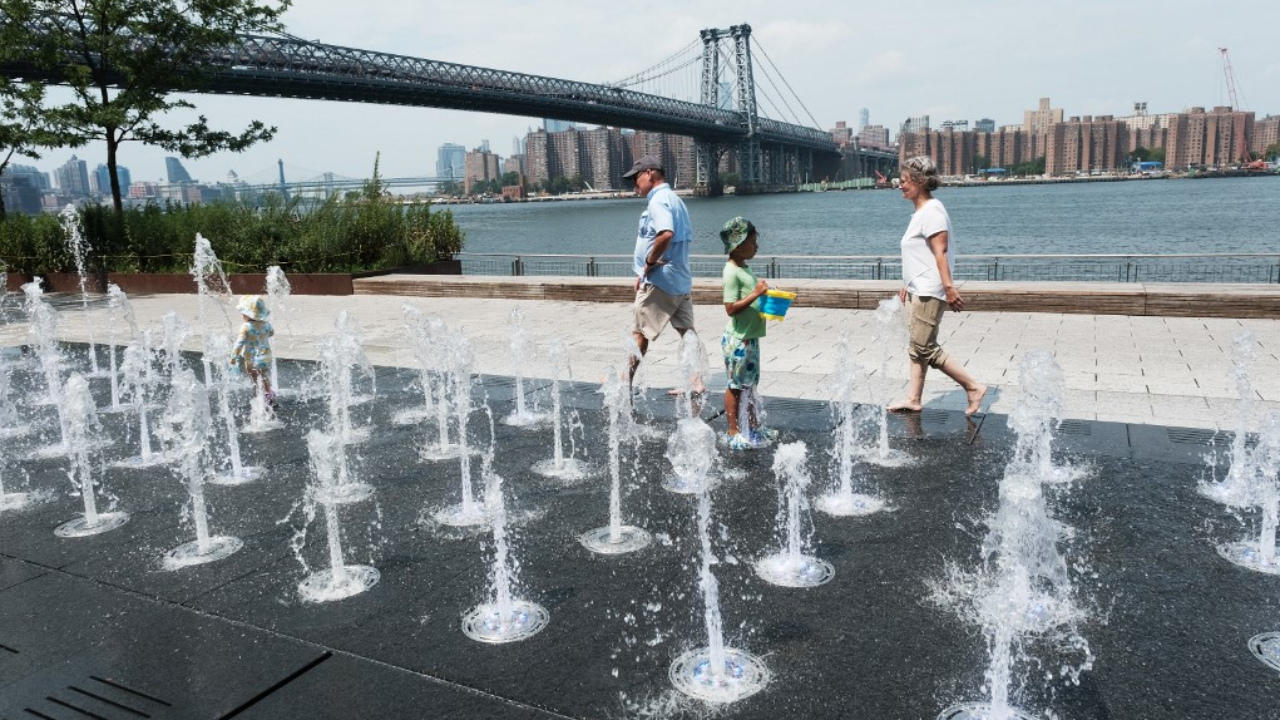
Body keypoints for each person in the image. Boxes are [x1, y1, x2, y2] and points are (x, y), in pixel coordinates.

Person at [888, 156, 988, 416]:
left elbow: (940, 253)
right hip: (916, 288)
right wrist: (905, 283)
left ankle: (973, 386)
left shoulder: (932, 212)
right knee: (916, 345)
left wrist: (949, 288)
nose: (900, 185)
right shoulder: (921, 212)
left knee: (924, 346)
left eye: (905, 181)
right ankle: (913, 399)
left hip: (929, 291)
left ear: (920, 182)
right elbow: (917, 254)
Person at [622, 155, 697, 390]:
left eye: (636, 179)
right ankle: (697, 381)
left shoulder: (658, 201)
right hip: (679, 278)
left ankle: (624, 381)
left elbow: (665, 234)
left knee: (639, 334)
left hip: (661, 280)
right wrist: (643, 272)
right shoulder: (675, 200)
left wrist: (649, 263)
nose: (634, 186)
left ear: (650, 173)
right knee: (688, 334)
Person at [719, 217, 776, 450]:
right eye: (753, 242)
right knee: (735, 385)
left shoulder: (745, 267)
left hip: (750, 338)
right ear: (738, 245)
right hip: (738, 340)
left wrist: (764, 295)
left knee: (750, 385)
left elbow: (751, 294)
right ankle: (733, 430)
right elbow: (730, 308)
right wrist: (756, 294)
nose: (757, 247)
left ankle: (753, 426)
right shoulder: (730, 272)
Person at [229, 294, 276, 408]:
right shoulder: (266, 325)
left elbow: (239, 343)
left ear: (246, 314)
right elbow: (271, 333)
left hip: (252, 359)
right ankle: (269, 393)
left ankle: (259, 398)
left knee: (255, 379)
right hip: (266, 357)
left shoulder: (246, 326)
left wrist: (233, 356)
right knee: (264, 376)